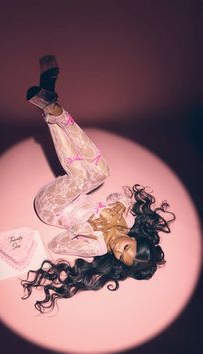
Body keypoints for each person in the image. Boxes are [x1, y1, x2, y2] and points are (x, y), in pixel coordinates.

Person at [21, 55, 175, 313]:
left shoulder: (96, 246)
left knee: (83, 177)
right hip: (72, 187)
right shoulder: (125, 221)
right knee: (102, 172)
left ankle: (54, 111)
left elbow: (55, 245)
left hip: (51, 207)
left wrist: (83, 229)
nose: (116, 249)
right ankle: (52, 108)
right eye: (126, 247)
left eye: (119, 256)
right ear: (134, 237)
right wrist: (118, 204)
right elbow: (115, 194)